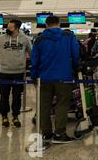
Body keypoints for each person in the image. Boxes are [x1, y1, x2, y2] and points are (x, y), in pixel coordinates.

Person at [31, 15, 80, 144]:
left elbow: (34, 60)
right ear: (59, 24)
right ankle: (60, 133)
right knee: (62, 104)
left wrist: (34, 77)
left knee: (44, 105)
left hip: (44, 78)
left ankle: (47, 133)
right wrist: (76, 68)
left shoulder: (39, 39)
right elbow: (75, 54)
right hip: (64, 77)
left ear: (46, 25)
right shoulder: (68, 36)